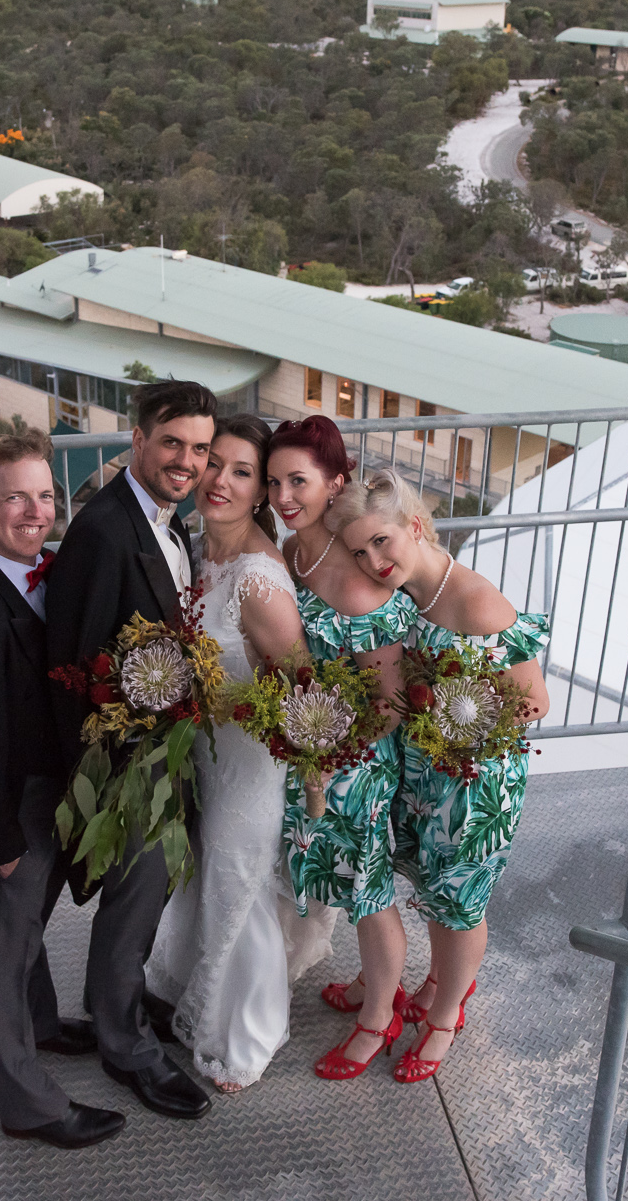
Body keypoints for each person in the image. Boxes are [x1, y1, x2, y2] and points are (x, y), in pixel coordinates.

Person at [336, 467, 550, 1083]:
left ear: (416, 525)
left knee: (459, 904)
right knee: (431, 890)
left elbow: (534, 702)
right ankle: (435, 982)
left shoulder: (478, 601)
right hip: (427, 769)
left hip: (477, 780)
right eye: (359, 550)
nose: (374, 560)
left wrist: (458, 727)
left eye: (382, 541)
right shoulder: (407, 595)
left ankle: (446, 1015)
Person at [44, 380, 220, 1122]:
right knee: (135, 890)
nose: (187, 460)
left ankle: (113, 996)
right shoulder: (104, 530)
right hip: (127, 759)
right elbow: (76, 659)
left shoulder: (165, 521)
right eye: (172, 442)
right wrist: (118, 762)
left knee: (151, 890)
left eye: (200, 449)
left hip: (167, 743)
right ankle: (124, 1044)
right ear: (138, 441)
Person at [0, 433, 123, 1150]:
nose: (35, 510)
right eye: (14, 496)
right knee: (5, 952)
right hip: (11, 801)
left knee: (31, 930)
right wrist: (2, 843)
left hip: (49, 782)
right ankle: (27, 1100)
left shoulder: (37, 575)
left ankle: (44, 1025)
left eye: (45, 495)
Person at [144, 414, 325, 1092]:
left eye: (241, 471)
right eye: (213, 461)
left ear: (260, 493)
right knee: (202, 874)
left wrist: (309, 791)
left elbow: (308, 695)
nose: (219, 478)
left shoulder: (259, 580)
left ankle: (248, 1033)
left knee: (236, 886)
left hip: (250, 763)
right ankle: (186, 986)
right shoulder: (195, 549)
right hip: (204, 756)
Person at [263, 415, 418, 1081]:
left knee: (369, 891)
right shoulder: (293, 551)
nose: (282, 495)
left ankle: (380, 1015)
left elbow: (390, 703)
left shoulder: (356, 582)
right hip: (312, 749)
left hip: (355, 759)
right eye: (273, 481)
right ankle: (371, 986)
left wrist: (331, 752)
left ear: (336, 482)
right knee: (342, 882)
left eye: (298, 480)